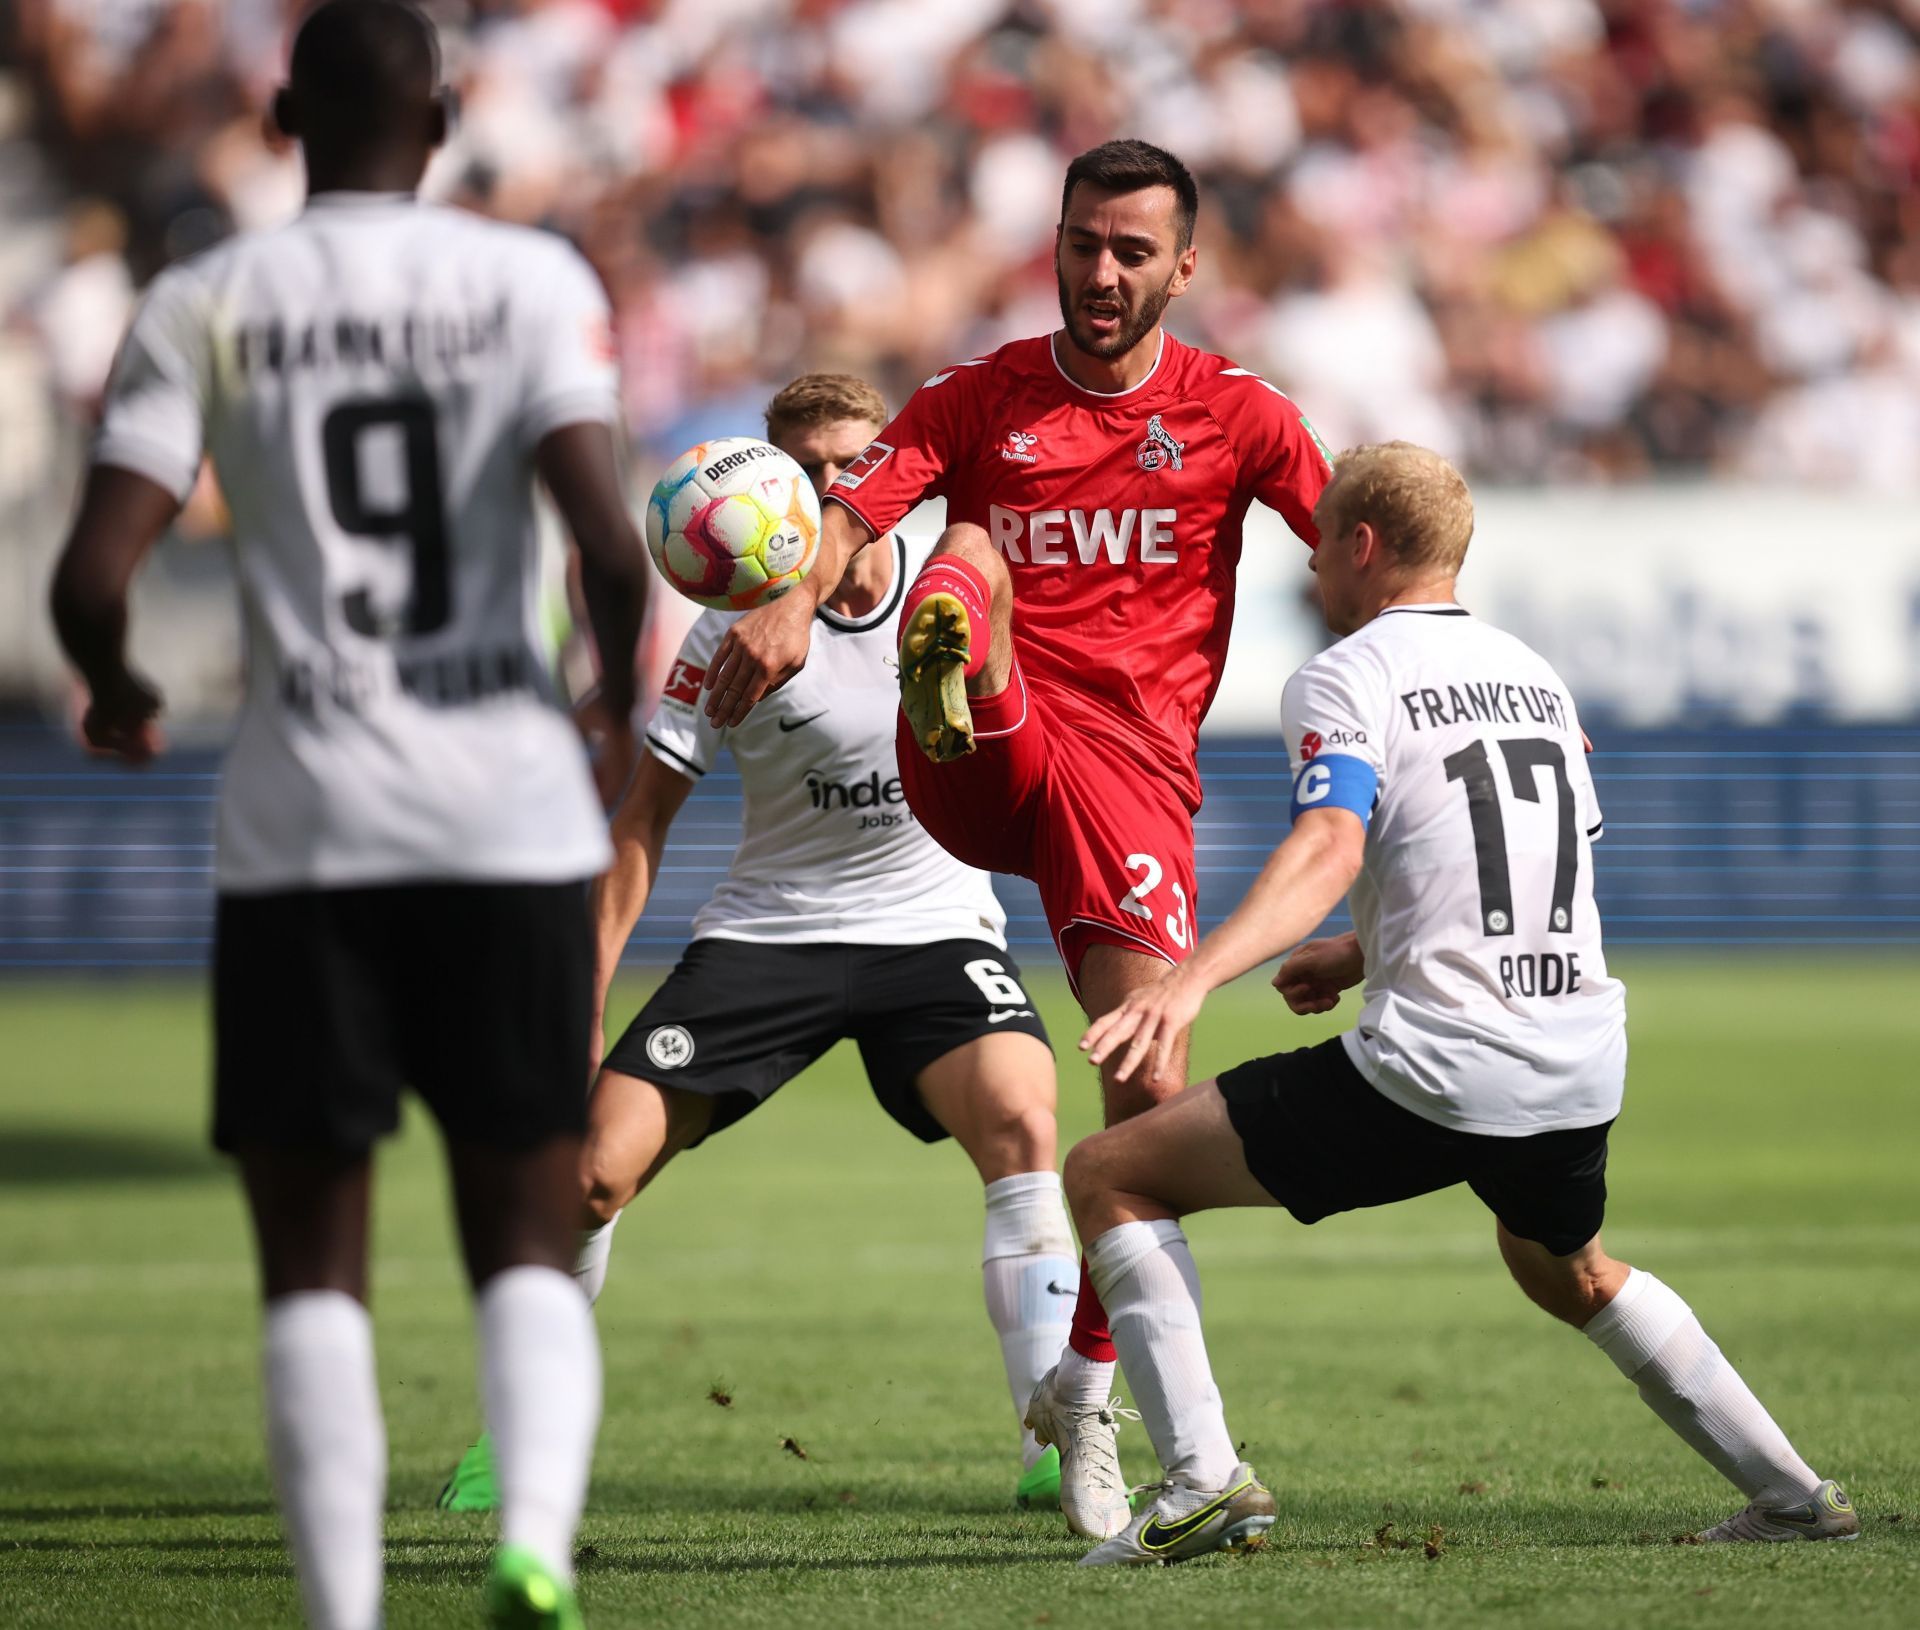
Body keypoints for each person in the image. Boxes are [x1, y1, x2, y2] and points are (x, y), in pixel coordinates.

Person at [46, 4, 649, 1625]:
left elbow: (93, 573)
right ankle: (530, 1534)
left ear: (279, 112)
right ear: (444, 120)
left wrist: (114, 687)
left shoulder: (205, 296)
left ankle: (343, 1613)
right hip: (507, 816)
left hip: (305, 824)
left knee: (311, 1258)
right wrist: (610, 704)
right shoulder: (528, 282)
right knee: (525, 1215)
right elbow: (607, 543)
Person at [691, 138, 1334, 1538]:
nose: (1100, 273)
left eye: (1130, 251)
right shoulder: (983, 397)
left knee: (1141, 1125)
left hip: (1131, 788)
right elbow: (858, 501)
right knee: (966, 551)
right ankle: (1203, 1466)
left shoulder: (1237, 415)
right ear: (1053, 239)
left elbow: (1349, 542)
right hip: (985, 757)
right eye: (1082, 242)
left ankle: (1083, 1389)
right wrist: (795, 601)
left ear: (1183, 266)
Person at [1061, 442, 1856, 1565]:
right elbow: (1550, 851)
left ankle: (1201, 1480)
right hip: (1579, 1052)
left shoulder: (1346, 672)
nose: (1312, 564)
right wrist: (1358, 951)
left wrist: (1190, 978)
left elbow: (1332, 839)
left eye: (1319, 538)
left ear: (1363, 546)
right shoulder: (1535, 672)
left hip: (1442, 1064)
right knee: (1561, 1265)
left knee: (1110, 1172)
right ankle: (1791, 1495)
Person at [436, 373, 1075, 1516]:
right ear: (770, 487)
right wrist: (580, 1007)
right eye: (807, 472)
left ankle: (1054, 1439)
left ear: (891, 469)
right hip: (771, 933)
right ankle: (516, 1435)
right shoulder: (726, 636)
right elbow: (638, 827)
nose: (834, 488)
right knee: (588, 1175)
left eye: (852, 465)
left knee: (1028, 1116)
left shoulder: (958, 588)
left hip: (933, 927)